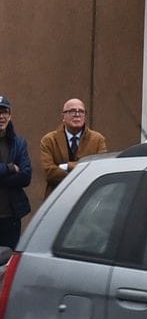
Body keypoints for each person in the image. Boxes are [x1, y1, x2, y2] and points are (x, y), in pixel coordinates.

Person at [39, 97, 108, 198]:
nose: (77, 114)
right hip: (57, 198)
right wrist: (82, 174)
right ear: (63, 116)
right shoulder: (49, 140)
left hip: (87, 198)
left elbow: (100, 169)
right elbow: (49, 173)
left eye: (81, 111)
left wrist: (67, 166)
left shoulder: (98, 140)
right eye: (72, 111)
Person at [0, 95, 32, 248]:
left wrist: (2, 179)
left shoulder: (19, 143)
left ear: (10, 115)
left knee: (8, 264)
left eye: (4, 112)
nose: (1, 116)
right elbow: (17, 172)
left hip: (11, 217)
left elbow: (26, 176)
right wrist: (9, 168)